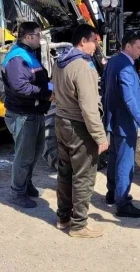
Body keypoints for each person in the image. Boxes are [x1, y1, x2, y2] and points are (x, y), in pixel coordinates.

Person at [52, 23, 108, 238]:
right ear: (83, 41)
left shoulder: (60, 62)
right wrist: (100, 136)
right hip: (79, 127)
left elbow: (55, 92)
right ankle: (79, 225)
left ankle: (63, 218)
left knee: (65, 172)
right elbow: (89, 107)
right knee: (83, 176)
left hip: (61, 121)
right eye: (94, 41)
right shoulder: (83, 67)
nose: (96, 46)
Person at [103, 32, 140, 218]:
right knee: (125, 163)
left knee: (115, 158)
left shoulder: (113, 61)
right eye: (139, 47)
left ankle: (112, 193)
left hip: (114, 120)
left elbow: (105, 89)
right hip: (126, 123)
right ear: (128, 46)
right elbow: (129, 98)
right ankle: (123, 203)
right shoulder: (125, 67)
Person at [1, 21, 52, 208]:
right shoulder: (17, 58)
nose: (41, 38)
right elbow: (20, 86)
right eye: (38, 34)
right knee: (23, 156)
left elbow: (40, 78)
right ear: (29, 37)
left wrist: (51, 89)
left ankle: (26, 183)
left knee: (35, 153)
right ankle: (17, 192)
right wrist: (46, 93)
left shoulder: (30, 55)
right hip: (22, 114)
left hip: (34, 112)